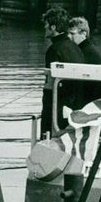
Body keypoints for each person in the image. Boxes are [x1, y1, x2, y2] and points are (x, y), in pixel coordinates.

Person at [41, 7, 84, 136]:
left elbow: (51, 86)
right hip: (74, 106)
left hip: (57, 110)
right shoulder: (75, 48)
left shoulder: (54, 50)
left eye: (46, 24)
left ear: (53, 27)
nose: (44, 27)